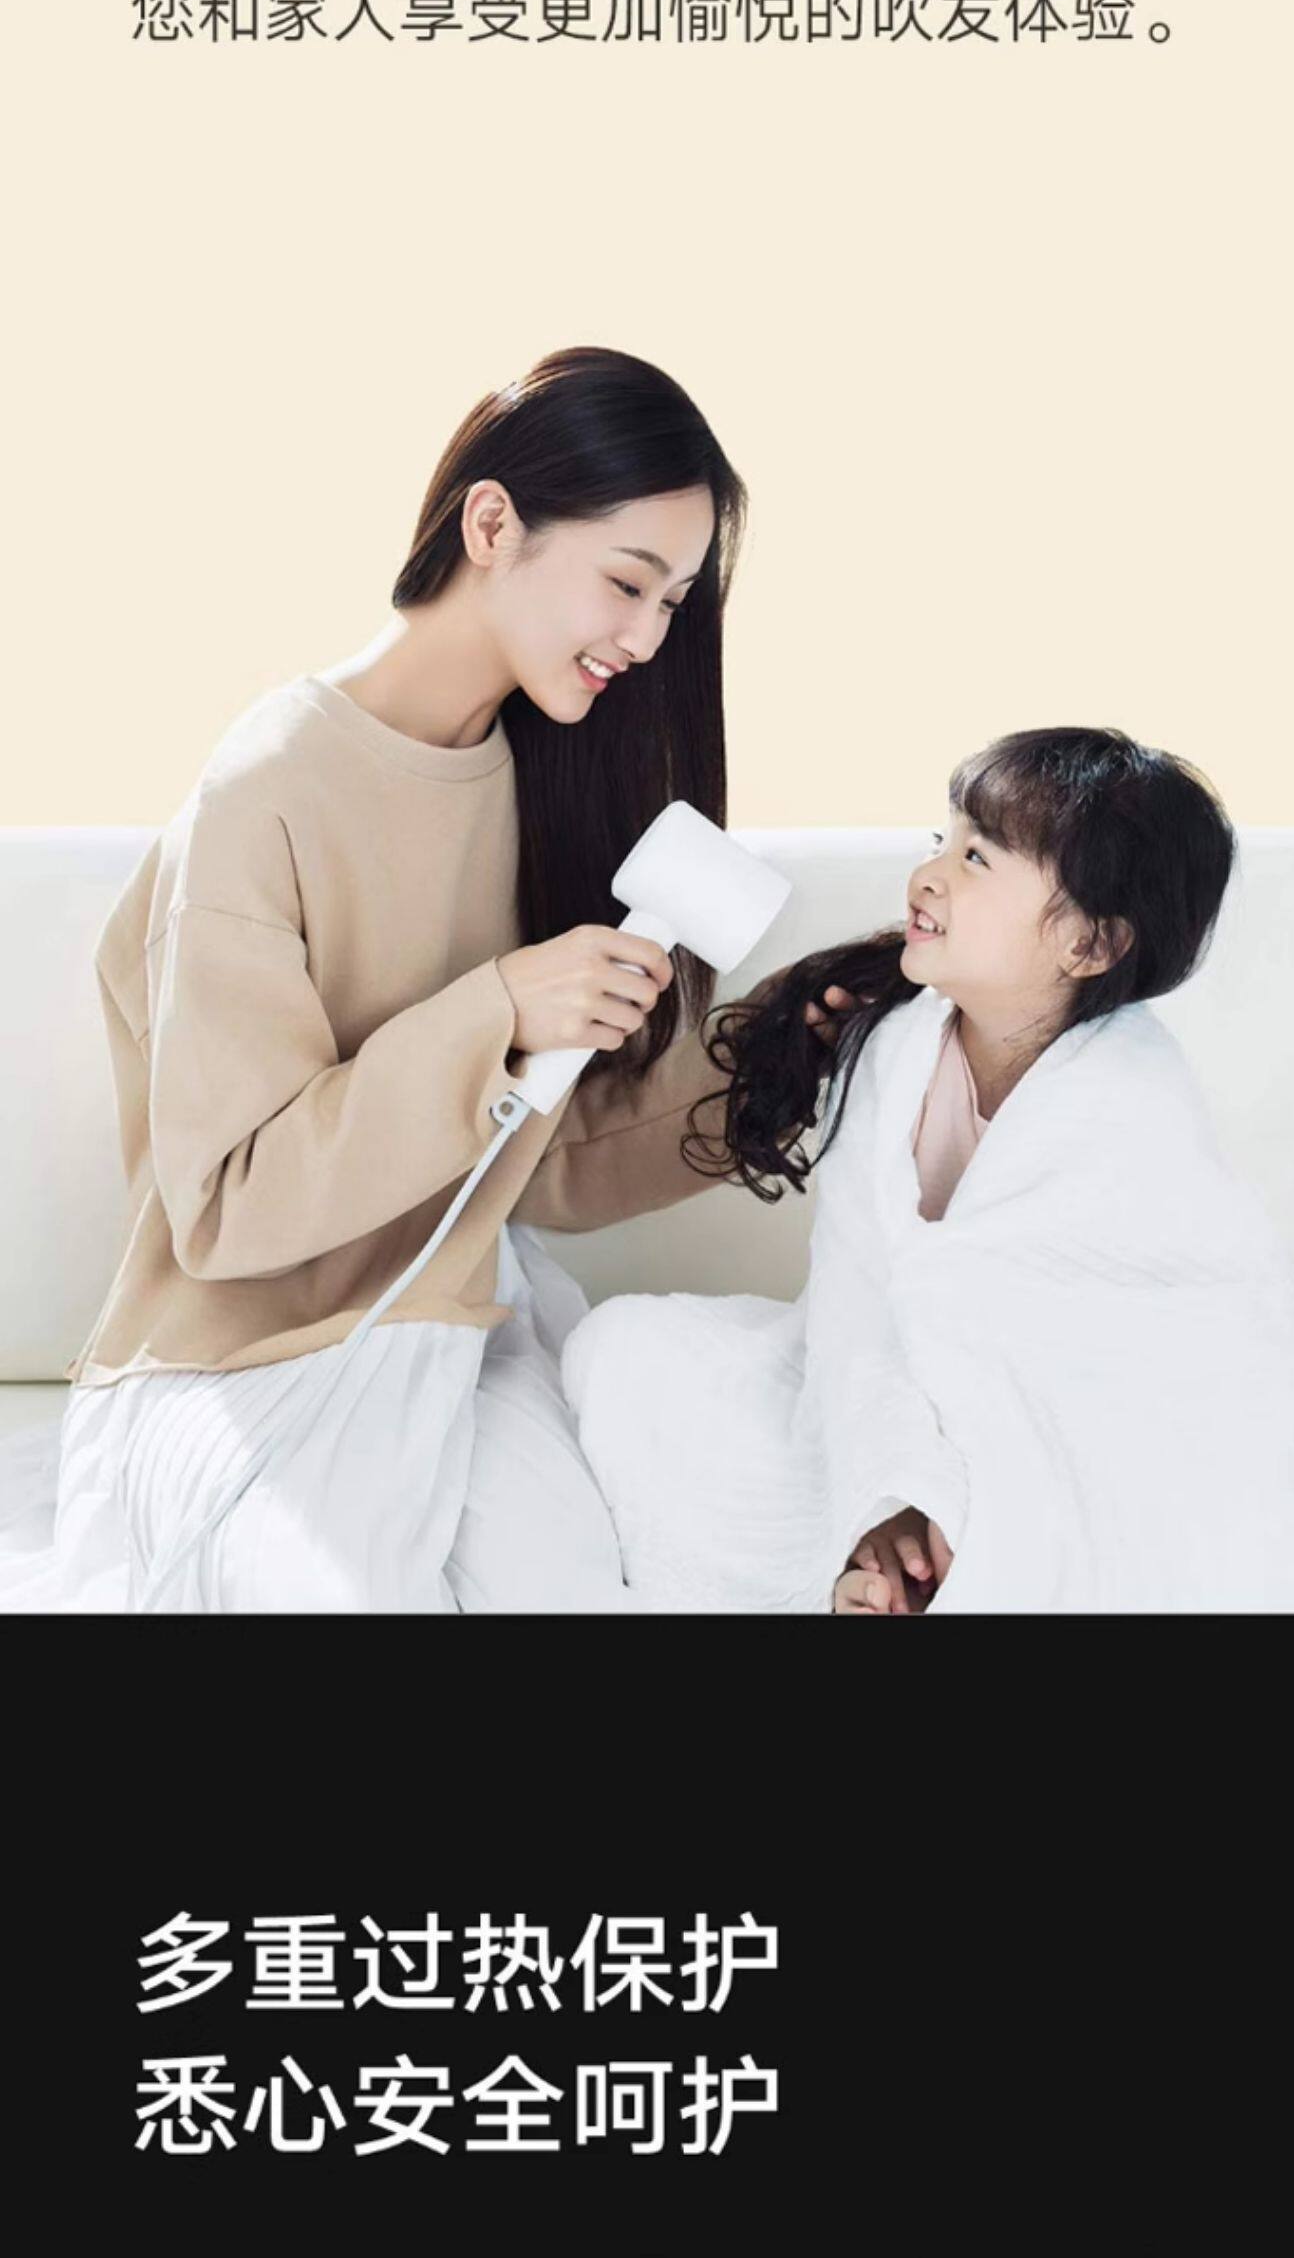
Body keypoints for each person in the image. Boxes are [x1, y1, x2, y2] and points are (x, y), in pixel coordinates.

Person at [0, 346, 755, 1613]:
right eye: (628, 583)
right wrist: (496, 1012)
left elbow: (534, 1166)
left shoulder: (552, 782)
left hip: (459, 1324)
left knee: (571, 1592)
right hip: (237, 1353)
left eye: (673, 601)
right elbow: (228, 1210)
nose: (646, 637)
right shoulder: (267, 790)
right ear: (492, 525)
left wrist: (783, 1065)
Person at [563, 728, 1294, 1613]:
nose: (929, 875)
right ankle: (890, 1557)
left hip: (1088, 1419)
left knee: (1092, 1531)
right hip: (888, 1402)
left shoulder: (1129, 1095)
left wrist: (940, 1493)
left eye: (977, 858)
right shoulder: (892, 1044)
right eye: (940, 842)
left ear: (1089, 944)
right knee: (629, 1348)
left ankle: (930, 1571)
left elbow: (1097, 1357)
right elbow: (858, 1298)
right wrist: (887, 1494)